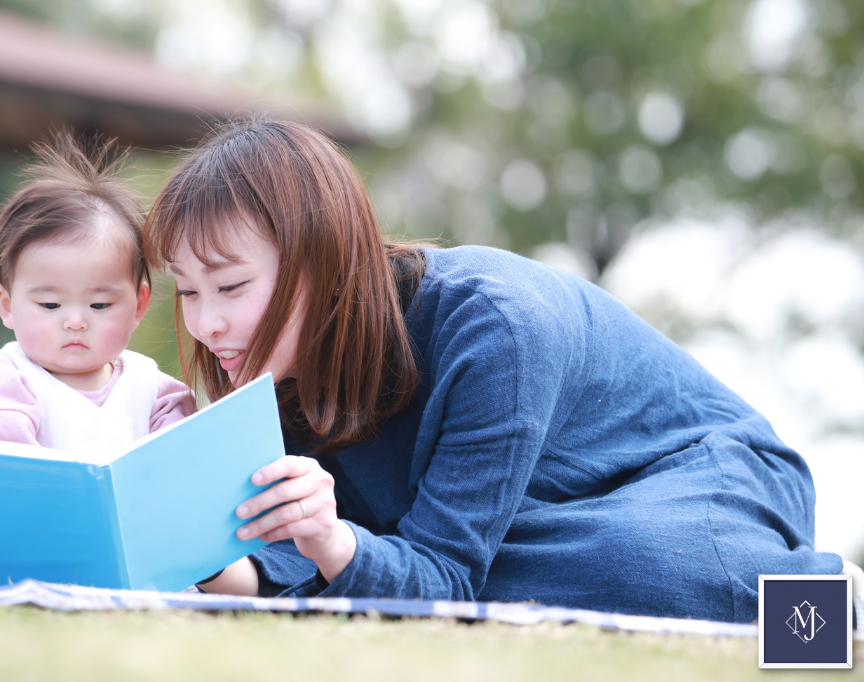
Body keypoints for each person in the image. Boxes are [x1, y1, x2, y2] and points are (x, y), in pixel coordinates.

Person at [144, 118, 858, 623]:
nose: (207, 324)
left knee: (611, 569)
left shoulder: (494, 328)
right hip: (525, 518)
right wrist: (210, 556)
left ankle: (832, 601)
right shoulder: (277, 363)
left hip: (705, 475)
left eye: (232, 287)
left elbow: (433, 570)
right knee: (448, 562)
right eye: (189, 290)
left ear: (323, 263)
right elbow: (314, 547)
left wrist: (342, 548)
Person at [0, 134, 196, 590]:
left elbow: (181, 462)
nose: (76, 322)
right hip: (27, 550)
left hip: (131, 552)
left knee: (194, 569)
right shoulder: (9, 381)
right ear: (7, 305)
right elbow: (9, 473)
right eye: (50, 306)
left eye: (100, 306)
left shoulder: (152, 387)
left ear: (139, 305)